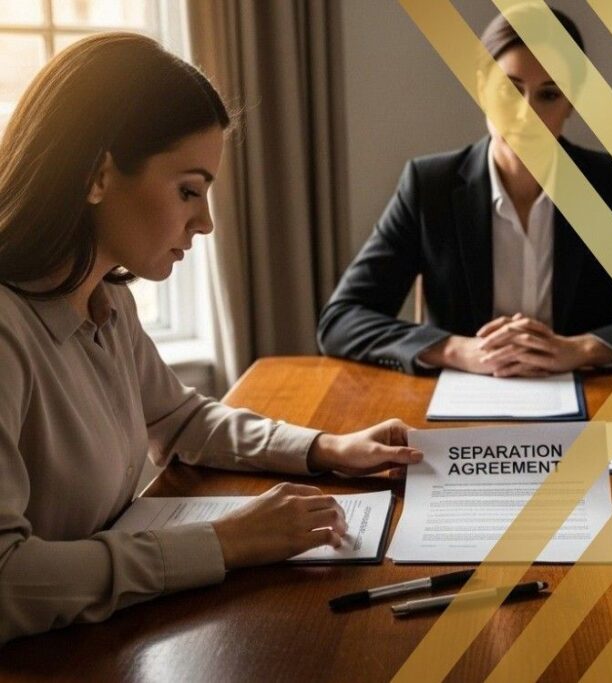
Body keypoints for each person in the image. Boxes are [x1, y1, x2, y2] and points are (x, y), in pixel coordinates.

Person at [0, 33, 423, 643]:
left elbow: (179, 418)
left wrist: (327, 449)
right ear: (97, 174)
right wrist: (224, 544)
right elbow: (6, 580)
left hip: (104, 639)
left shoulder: (108, 299)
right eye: (188, 191)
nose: (206, 222)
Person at [317, 4, 612, 377]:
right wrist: (457, 350)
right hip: (460, 413)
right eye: (511, 89)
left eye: (548, 94)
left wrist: (583, 349)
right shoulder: (431, 187)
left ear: (571, 102)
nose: (527, 113)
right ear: (481, 87)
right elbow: (341, 320)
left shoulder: (606, 190)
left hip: (584, 411)